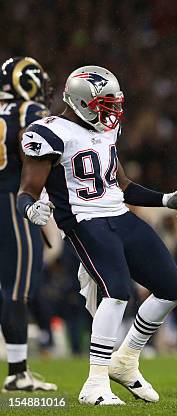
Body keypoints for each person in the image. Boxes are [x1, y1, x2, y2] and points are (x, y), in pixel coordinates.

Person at [17, 65, 177, 405]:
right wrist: (29, 209)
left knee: (173, 287)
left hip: (119, 215)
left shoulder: (104, 131)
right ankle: (95, 383)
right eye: (105, 104)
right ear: (83, 102)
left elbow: (121, 185)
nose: (112, 112)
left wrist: (164, 198)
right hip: (85, 221)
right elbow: (27, 189)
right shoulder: (49, 133)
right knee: (117, 292)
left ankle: (125, 360)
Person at [0, 56, 57, 392]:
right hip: (11, 200)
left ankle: (18, 369)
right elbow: (30, 153)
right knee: (17, 290)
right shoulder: (27, 112)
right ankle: (18, 372)